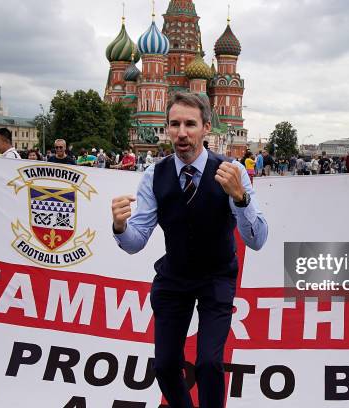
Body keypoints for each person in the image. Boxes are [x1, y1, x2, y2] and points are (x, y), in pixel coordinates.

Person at [111, 92, 268, 408]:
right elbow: (136, 241)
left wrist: (241, 199)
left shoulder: (231, 171)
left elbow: (257, 239)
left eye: (190, 124)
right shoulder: (155, 175)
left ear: (206, 128)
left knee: (209, 363)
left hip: (216, 277)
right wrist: (120, 227)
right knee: (166, 366)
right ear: (167, 128)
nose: (181, 132)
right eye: (175, 124)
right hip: (174, 279)